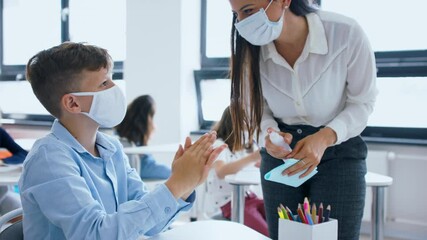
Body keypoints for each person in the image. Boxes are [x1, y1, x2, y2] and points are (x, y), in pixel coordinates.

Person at [19, 42, 226, 240]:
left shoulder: (111, 149)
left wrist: (184, 186)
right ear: (73, 102)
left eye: (111, 79)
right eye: (104, 83)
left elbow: (150, 223)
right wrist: (174, 185)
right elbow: (95, 235)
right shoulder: (49, 159)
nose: (114, 88)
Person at [227, 0, 378, 239]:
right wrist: (270, 134)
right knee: (286, 235)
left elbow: (363, 103)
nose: (242, 23)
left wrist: (324, 137)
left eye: (248, 10)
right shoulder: (249, 50)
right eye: (236, 14)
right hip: (281, 156)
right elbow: (255, 109)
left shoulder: (345, 33)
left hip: (338, 150)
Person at [207, 106, 268, 236]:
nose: (250, 128)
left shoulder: (244, 146)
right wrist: (252, 158)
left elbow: (254, 164)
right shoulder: (219, 145)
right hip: (231, 202)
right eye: (247, 123)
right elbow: (221, 171)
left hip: (251, 198)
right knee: (266, 234)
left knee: (278, 221)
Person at [115, 95, 171, 179]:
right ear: (146, 120)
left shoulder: (120, 139)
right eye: (152, 118)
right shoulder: (135, 151)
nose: (155, 127)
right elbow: (151, 168)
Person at [0, 126, 27, 216]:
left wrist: (3, 161)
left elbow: (23, 154)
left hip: (2, 194)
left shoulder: (0, 132)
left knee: (24, 215)